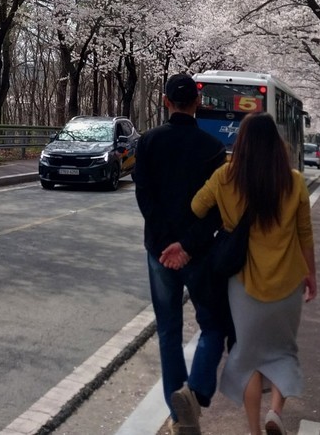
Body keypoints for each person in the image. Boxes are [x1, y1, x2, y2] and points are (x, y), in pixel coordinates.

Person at [168, 111, 317, 435]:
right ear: (277, 144)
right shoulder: (293, 181)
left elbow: (196, 206)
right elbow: (305, 234)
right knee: (283, 351)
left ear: (242, 143)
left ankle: (253, 430)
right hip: (288, 283)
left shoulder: (226, 177)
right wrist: (311, 274)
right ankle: (275, 412)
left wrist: (226, 218)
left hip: (244, 285)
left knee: (249, 358)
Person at [134, 73, 228, 435]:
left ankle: (179, 417)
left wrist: (165, 244)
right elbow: (216, 210)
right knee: (213, 324)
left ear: (165, 101)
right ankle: (197, 391)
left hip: (158, 252)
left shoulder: (149, 142)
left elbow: (145, 197)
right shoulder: (213, 148)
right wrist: (187, 245)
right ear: (198, 102)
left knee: (169, 330)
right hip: (198, 252)